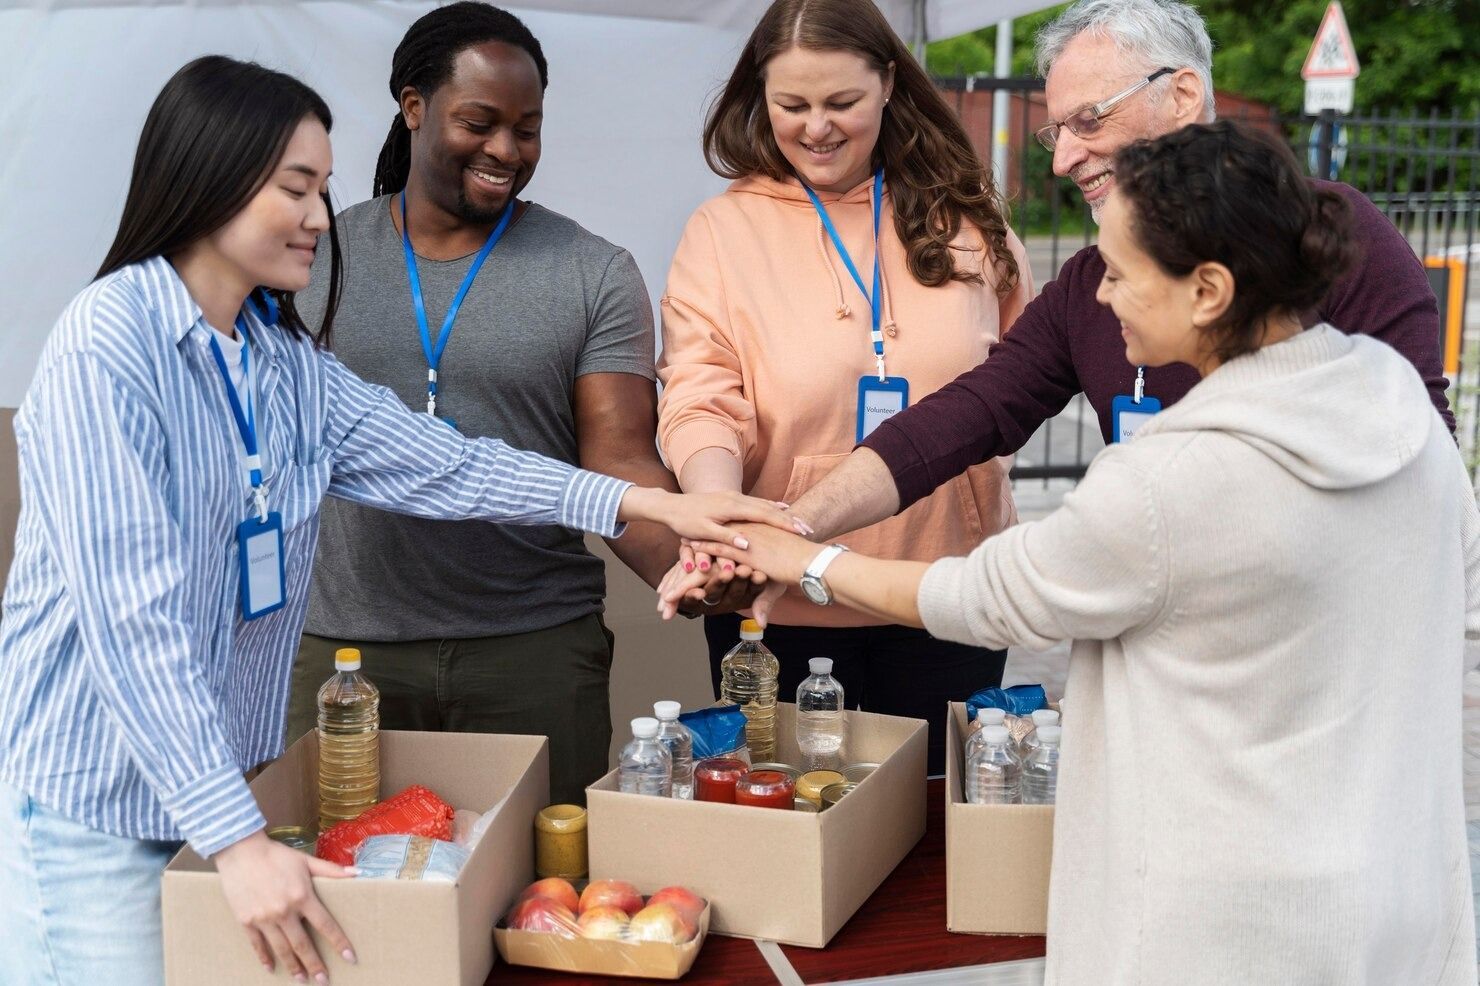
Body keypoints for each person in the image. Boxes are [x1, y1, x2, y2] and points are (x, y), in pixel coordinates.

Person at [0, 55, 793, 986]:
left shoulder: (273, 354)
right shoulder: (108, 348)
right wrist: (237, 839)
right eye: (295, 188)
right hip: (101, 812)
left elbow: (448, 465)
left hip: (221, 797)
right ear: (210, 181)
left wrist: (646, 499)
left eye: (323, 188)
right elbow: (131, 624)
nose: (319, 216)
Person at [679, 121, 1479, 985]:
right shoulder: (1395, 407)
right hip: (1391, 897)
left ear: (1208, 289)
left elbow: (984, 595)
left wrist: (801, 559)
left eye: (1122, 273)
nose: (1101, 298)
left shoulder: (1172, 481)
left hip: (1225, 926)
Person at [770, 0, 1452, 569]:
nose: (1065, 159)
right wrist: (797, 526)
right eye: (1056, 132)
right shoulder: (1089, 282)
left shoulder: (1329, 234)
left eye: (1089, 121)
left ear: (1183, 95)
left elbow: (1423, 464)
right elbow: (967, 414)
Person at [281, 4, 761, 806]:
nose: (505, 149)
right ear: (413, 107)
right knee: (341, 894)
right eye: (480, 121)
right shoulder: (313, 257)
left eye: (527, 128)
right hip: (344, 652)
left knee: (542, 899)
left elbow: (618, 461)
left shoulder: (592, 271)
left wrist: (692, 567)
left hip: (532, 650)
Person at [654, 0, 1033, 774]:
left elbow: (1023, 379)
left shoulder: (969, 220)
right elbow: (700, 396)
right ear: (759, 98)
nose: (816, 127)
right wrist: (721, 520)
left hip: (945, 594)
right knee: (789, 833)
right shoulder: (723, 233)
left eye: (841, 103)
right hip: (775, 604)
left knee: (932, 844)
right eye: (792, 105)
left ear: (889, 84)